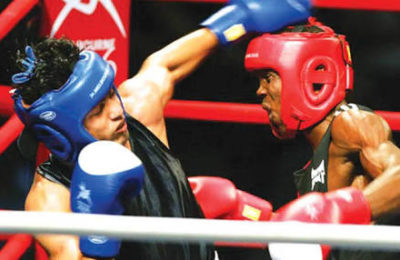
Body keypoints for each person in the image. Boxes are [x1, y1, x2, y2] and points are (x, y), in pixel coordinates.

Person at [11, 0, 311, 259]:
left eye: (110, 94)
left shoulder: (138, 109)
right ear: (62, 135)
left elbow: (165, 65)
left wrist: (244, 16)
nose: (117, 112)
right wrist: (99, 228)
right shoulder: (49, 199)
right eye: (98, 110)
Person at [244, 18, 400, 259]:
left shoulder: (352, 122)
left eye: (268, 77)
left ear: (304, 76)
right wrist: (246, 215)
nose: (260, 91)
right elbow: (312, 229)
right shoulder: (311, 163)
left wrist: (337, 210)